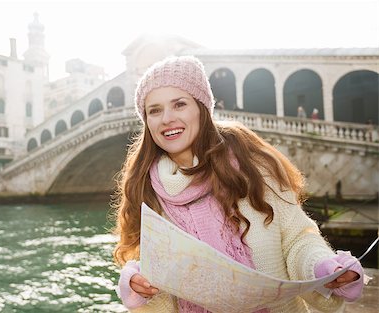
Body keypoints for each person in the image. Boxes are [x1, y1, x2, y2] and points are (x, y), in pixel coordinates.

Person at [112, 56, 364, 313]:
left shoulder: (253, 165)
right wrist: (137, 281)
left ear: (202, 108)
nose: (166, 118)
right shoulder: (145, 186)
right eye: (154, 110)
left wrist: (323, 267)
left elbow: (296, 239)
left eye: (179, 104)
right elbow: (152, 269)